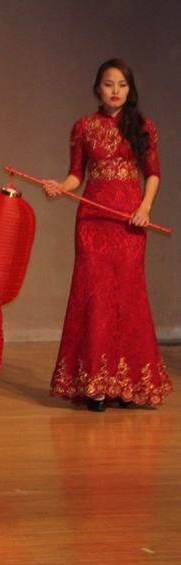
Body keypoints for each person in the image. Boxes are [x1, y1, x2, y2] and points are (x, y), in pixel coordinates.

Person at [42, 58, 173, 412]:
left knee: (127, 298)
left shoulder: (144, 126)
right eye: (109, 84)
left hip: (130, 222)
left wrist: (145, 208)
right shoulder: (83, 127)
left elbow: (153, 172)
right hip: (93, 221)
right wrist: (59, 186)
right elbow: (75, 176)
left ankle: (127, 383)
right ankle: (96, 385)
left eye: (122, 85)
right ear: (97, 88)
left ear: (130, 91)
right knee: (95, 298)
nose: (115, 91)